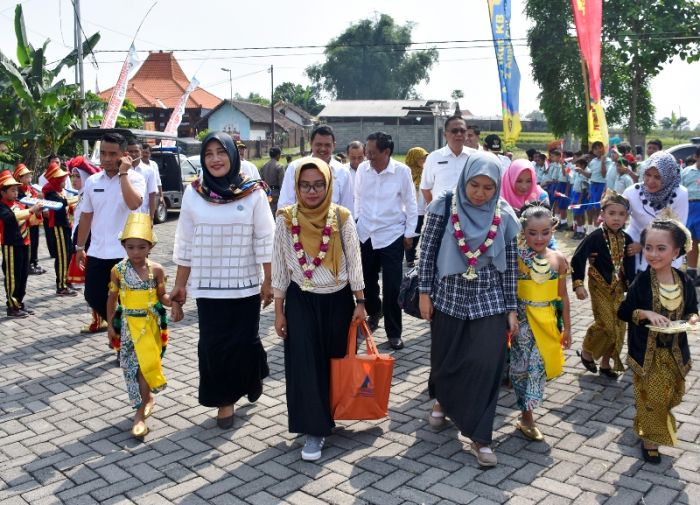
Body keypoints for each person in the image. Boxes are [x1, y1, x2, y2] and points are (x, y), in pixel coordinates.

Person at [418, 152, 520, 467]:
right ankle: (443, 400)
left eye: (488, 188)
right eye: (474, 185)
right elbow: (427, 252)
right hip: (448, 295)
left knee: (487, 363)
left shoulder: (504, 214)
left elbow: (511, 266)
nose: (479, 193)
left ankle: (480, 437)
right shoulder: (444, 206)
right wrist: (424, 292)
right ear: (465, 181)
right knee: (446, 359)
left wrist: (512, 308)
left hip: (489, 299)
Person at [171, 131, 274, 429]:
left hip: (245, 285)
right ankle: (224, 403)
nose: (215, 159)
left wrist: (269, 281)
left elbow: (265, 239)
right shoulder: (194, 192)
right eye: (208, 153)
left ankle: (253, 373)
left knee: (244, 343)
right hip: (208, 287)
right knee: (212, 346)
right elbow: (185, 242)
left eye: (221, 152)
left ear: (233, 154)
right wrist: (180, 285)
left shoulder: (252, 191)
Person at [272, 157, 366, 461]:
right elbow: (280, 265)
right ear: (296, 187)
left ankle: (330, 413)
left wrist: (360, 302)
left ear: (328, 185)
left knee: (335, 362)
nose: (312, 191)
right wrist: (278, 309)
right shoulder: (286, 219)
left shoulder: (341, 216)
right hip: (301, 300)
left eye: (319, 184)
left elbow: (354, 260)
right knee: (306, 363)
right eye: (305, 185)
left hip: (338, 301)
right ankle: (314, 430)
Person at [617, 219, 697, 464]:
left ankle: (646, 420)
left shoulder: (685, 281)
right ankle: (650, 439)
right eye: (648, 247)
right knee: (654, 398)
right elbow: (623, 311)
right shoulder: (642, 281)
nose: (653, 254)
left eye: (661, 248)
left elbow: (692, 310)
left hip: (675, 353)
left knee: (673, 396)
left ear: (676, 251)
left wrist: (693, 319)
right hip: (647, 353)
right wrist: (644, 314)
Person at [74, 133, 146, 357]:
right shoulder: (93, 181)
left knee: (125, 300)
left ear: (124, 155)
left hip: (125, 253)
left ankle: (124, 342)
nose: (105, 158)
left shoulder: (135, 178)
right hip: (97, 252)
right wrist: (79, 247)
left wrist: (123, 173)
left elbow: (134, 202)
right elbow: (86, 216)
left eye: (112, 154)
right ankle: (124, 332)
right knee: (93, 296)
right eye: (103, 152)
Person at [106, 213, 173, 438]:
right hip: (127, 326)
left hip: (150, 325)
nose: (136, 252)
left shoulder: (157, 270)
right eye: (131, 247)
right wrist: (109, 326)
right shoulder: (118, 270)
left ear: (150, 246)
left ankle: (139, 413)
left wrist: (173, 301)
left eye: (141, 247)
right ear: (124, 246)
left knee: (145, 367)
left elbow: (162, 297)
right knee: (129, 369)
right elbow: (112, 299)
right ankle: (144, 401)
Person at [510, 203, 571, 441]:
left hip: (546, 323)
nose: (539, 238)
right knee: (519, 370)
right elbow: (509, 290)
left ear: (553, 230)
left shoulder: (558, 259)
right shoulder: (517, 257)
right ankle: (523, 411)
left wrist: (567, 328)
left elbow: (562, 296)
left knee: (537, 367)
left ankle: (528, 415)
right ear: (523, 232)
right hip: (522, 323)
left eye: (545, 232)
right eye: (532, 233)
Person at [354, 131, 417, 350]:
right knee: (367, 281)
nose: (368, 157)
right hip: (366, 233)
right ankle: (374, 310)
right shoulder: (363, 169)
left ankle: (394, 332)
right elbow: (358, 197)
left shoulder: (401, 172)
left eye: (372, 153)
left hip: (391, 235)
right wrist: (356, 221)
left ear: (386, 152)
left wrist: (409, 233)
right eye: (366, 152)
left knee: (392, 287)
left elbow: (410, 203)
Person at [571, 192, 636, 377]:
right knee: (606, 324)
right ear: (603, 214)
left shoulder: (627, 239)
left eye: (621, 214)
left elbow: (629, 266)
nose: (616, 218)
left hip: (619, 288)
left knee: (618, 327)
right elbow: (578, 257)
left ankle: (606, 364)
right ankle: (586, 351)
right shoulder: (595, 236)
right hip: (599, 284)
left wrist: (631, 288)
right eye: (612, 213)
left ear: (627, 217)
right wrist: (578, 284)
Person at [623, 152, 688, 274]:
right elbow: (615, 219)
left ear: (668, 176)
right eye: (647, 175)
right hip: (633, 246)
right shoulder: (632, 192)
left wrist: (643, 246)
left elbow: (677, 230)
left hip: (665, 249)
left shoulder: (680, 194)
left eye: (658, 177)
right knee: (635, 287)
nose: (650, 181)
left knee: (663, 288)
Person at [278, 125, 354, 211]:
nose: (323, 149)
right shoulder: (295, 167)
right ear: (311, 144)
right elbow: (285, 204)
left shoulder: (342, 172)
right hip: (299, 223)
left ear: (334, 146)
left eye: (327, 145)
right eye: (318, 144)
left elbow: (347, 207)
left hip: (332, 224)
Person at [0, 170, 42, 318]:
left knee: (23, 275)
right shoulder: (2, 207)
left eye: (16, 190)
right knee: (13, 276)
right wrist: (31, 210)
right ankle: (12, 306)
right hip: (11, 245)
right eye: (12, 190)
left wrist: (37, 213)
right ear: (3, 193)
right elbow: (11, 218)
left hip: (25, 243)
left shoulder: (19, 204)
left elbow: (31, 222)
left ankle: (19, 302)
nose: (16, 193)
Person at [42, 162, 79, 297]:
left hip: (66, 224)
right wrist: (78, 197)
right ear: (55, 180)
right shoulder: (50, 191)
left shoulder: (59, 190)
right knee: (62, 255)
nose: (65, 180)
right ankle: (61, 285)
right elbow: (61, 203)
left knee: (68, 253)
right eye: (61, 178)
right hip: (58, 226)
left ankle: (66, 280)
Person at [420, 115, 475, 205]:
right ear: (445, 134)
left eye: (462, 131)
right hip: (442, 213)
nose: (459, 134)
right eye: (454, 131)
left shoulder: (475, 157)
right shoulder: (434, 157)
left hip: (469, 211)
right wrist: (435, 208)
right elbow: (426, 188)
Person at [14, 164, 45, 275]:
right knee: (29, 242)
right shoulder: (17, 191)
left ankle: (34, 262)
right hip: (26, 221)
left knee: (36, 241)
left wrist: (39, 198)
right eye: (26, 176)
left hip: (34, 219)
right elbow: (20, 203)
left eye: (29, 176)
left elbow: (36, 198)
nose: (29, 178)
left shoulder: (31, 188)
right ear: (19, 178)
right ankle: (28, 265)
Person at [405, 147, 429, 267]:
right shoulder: (406, 172)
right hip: (408, 210)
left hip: (420, 210)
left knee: (417, 232)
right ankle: (409, 258)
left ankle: (412, 251)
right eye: (421, 159)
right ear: (414, 159)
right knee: (410, 233)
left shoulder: (425, 172)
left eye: (425, 159)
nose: (424, 161)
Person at [681, 147, 700, 283]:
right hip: (689, 207)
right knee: (691, 241)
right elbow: (679, 189)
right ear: (696, 157)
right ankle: (692, 271)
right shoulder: (687, 171)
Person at [127, 140, 158, 221]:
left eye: (136, 151)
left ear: (141, 152)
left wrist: (151, 218)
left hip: (142, 215)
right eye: (130, 151)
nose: (133, 154)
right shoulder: (121, 170)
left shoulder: (149, 171)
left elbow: (152, 195)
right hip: (124, 215)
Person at [260, 147, 286, 215]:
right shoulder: (279, 166)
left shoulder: (264, 166)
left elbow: (261, 182)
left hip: (267, 193)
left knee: (268, 212)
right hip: (276, 194)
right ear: (278, 155)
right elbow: (282, 183)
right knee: (276, 214)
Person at [570, 157, 590, 239]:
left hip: (580, 196)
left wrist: (580, 200)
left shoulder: (585, 174)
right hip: (575, 194)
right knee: (578, 214)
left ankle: (580, 232)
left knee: (578, 215)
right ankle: (579, 230)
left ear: (583, 165)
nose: (575, 167)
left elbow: (584, 189)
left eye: (577, 165)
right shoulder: (578, 173)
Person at [140, 143, 163, 212]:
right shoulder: (137, 166)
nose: (144, 155)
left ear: (150, 154)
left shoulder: (154, 164)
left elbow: (158, 181)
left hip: (152, 196)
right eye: (143, 153)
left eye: (146, 153)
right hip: (141, 197)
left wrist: (161, 196)